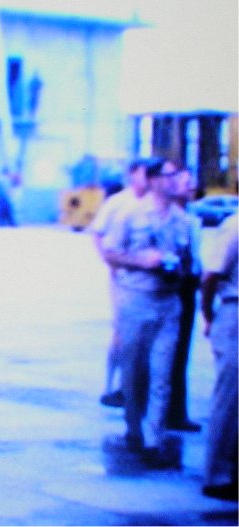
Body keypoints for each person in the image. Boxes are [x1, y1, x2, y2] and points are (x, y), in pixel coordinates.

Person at [101, 158, 192, 466]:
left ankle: (155, 438)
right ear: (153, 180)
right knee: (134, 370)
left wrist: (178, 268)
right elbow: (110, 253)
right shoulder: (129, 214)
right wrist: (143, 261)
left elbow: (191, 260)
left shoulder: (182, 220)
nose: (175, 181)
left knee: (162, 372)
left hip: (167, 302)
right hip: (135, 300)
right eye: (169, 175)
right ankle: (134, 427)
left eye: (177, 176)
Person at [90, 157, 149, 407]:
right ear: (132, 175)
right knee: (121, 332)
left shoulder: (154, 203)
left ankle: (134, 386)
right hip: (123, 276)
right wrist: (109, 261)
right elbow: (97, 233)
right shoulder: (118, 203)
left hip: (149, 278)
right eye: (145, 174)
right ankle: (112, 385)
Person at [200, 212, 238, 501]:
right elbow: (211, 275)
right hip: (235, 311)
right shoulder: (235, 225)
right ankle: (218, 475)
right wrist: (209, 314)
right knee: (230, 398)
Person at [166, 167, 202, 431]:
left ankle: (177, 411)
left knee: (181, 353)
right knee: (172, 352)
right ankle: (171, 412)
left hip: (189, 285)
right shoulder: (170, 217)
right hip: (175, 287)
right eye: (184, 182)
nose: (190, 186)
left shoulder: (191, 216)